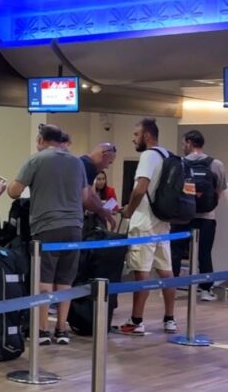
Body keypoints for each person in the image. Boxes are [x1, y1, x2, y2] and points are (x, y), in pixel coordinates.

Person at [8, 124, 89, 345]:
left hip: (47, 226)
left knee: (44, 278)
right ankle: (61, 329)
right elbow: (85, 196)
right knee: (65, 279)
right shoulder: (77, 162)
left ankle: (42, 330)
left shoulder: (36, 159)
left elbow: (14, 191)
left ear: (41, 140)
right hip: (74, 226)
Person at [119, 117, 177, 335]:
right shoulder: (168, 156)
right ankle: (169, 319)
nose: (133, 139)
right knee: (166, 272)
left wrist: (129, 210)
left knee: (141, 273)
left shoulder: (148, 156)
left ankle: (136, 320)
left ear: (146, 135)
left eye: (136, 134)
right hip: (162, 222)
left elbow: (140, 188)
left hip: (144, 223)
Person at [170, 130, 227, 301]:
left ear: (189, 143)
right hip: (206, 217)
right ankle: (205, 291)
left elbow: (174, 189)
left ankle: (171, 289)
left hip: (182, 216)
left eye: (183, 144)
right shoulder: (216, 164)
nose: (183, 147)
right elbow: (219, 190)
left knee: (175, 252)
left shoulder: (179, 164)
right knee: (204, 253)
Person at [80, 143, 118, 228]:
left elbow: (92, 194)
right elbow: (87, 199)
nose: (107, 167)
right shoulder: (89, 165)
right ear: (104, 156)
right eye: (109, 163)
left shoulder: (83, 162)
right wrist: (106, 214)